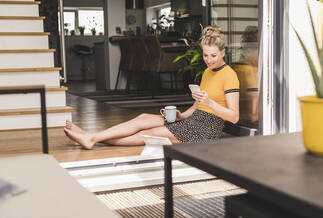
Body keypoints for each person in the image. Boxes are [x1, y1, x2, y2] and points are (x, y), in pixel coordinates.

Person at [64, 26, 240, 149]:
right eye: (205, 55)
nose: (209, 60)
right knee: (143, 118)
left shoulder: (229, 75)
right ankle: (90, 136)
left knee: (148, 133)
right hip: (193, 120)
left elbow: (234, 117)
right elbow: (198, 106)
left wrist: (210, 104)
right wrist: (181, 114)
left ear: (223, 52)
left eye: (214, 55)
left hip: (206, 130)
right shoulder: (208, 72)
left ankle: (91, 138)